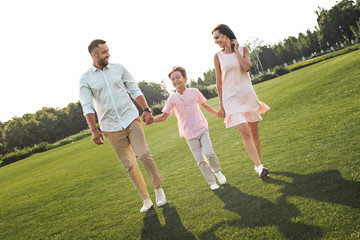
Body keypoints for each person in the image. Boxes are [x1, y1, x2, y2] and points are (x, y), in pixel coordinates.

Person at [79, 39, 166, 212]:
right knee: (130, 164)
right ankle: (146, 199)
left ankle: (158, 189)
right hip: (110, 127)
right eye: (104, 52)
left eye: (108, 51)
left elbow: (134, 89)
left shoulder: (119, 69)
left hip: (130, 118)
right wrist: (94, 131)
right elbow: (87, 107)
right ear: (94, 55)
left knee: (143, 154)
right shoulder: (85, 79)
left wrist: (146, 109)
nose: (108, 54)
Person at [148, 66, 226, 190]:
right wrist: (152, 120)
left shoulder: (194, 92)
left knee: (209, 153)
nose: (175, 80)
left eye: (178, 77)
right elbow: (164, 116)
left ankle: (217, 172)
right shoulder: (172, 99)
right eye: (173, 79)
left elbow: (204, 106)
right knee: (200, 160)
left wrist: (218, 113)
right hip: (189, 134)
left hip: (201, 128)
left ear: (185, 78)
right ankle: (211, 182)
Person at [211, 24, 270, 179]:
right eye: (214, 38)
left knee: (254, 132)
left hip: (247, 95)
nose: (216, 41)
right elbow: (219, 82)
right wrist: (221, 104)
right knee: (244, 131)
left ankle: (258, 164)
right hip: (231, 99)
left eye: (217, 37)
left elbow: (247, 68)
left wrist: (236, 50)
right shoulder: (217, 57)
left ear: (225, 35)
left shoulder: (243, 49)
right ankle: (259, 166)